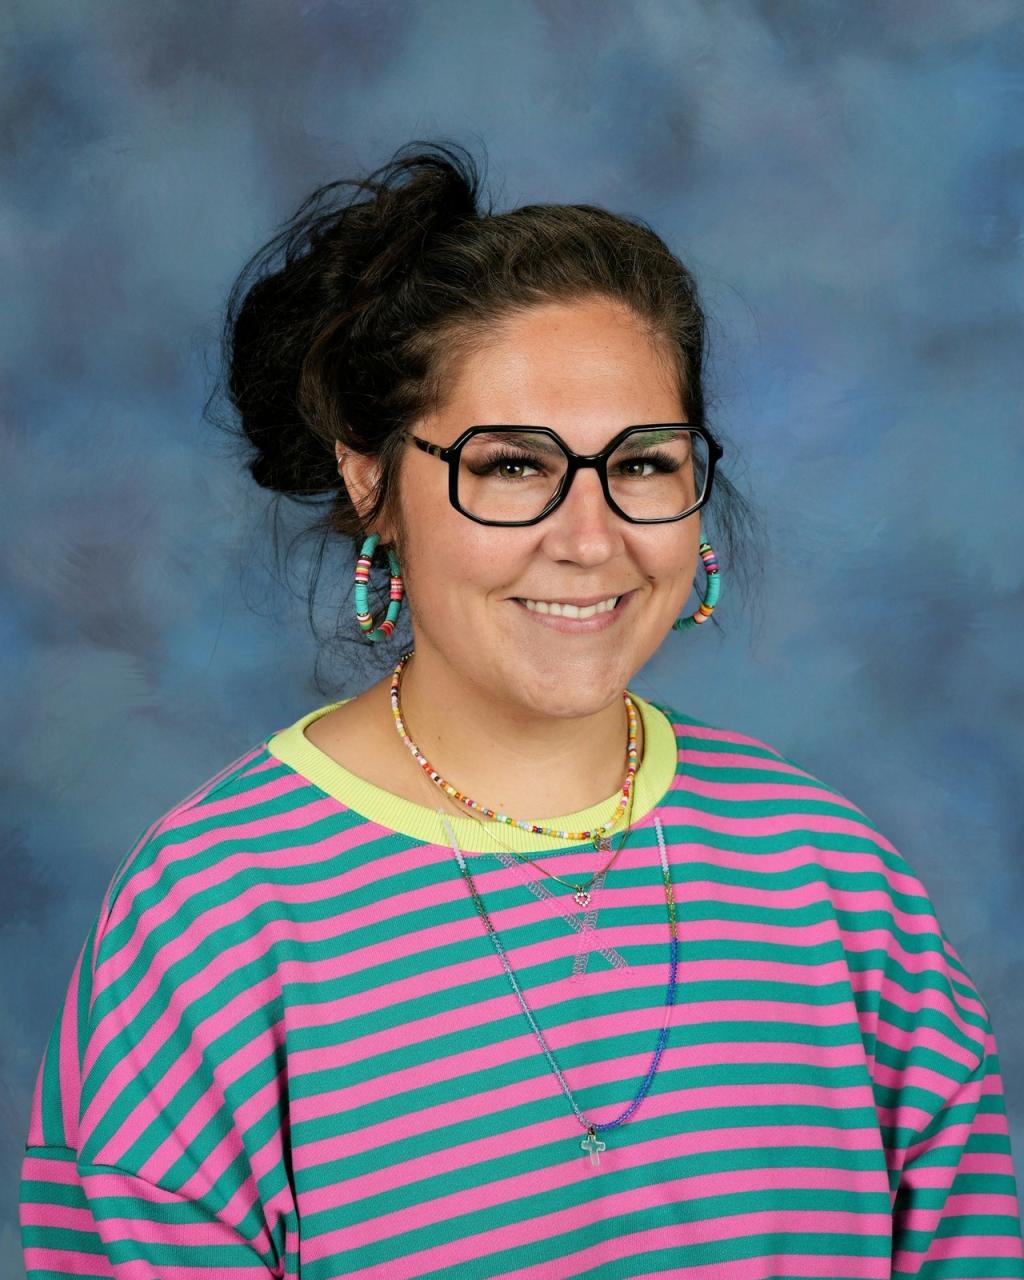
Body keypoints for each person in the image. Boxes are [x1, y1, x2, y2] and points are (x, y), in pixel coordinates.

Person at [19, 140, 1023, 1279]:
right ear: (371, 478)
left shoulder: (833, 876)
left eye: (641, 463)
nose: (589, 537)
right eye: (509, 466)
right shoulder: (213, 918)